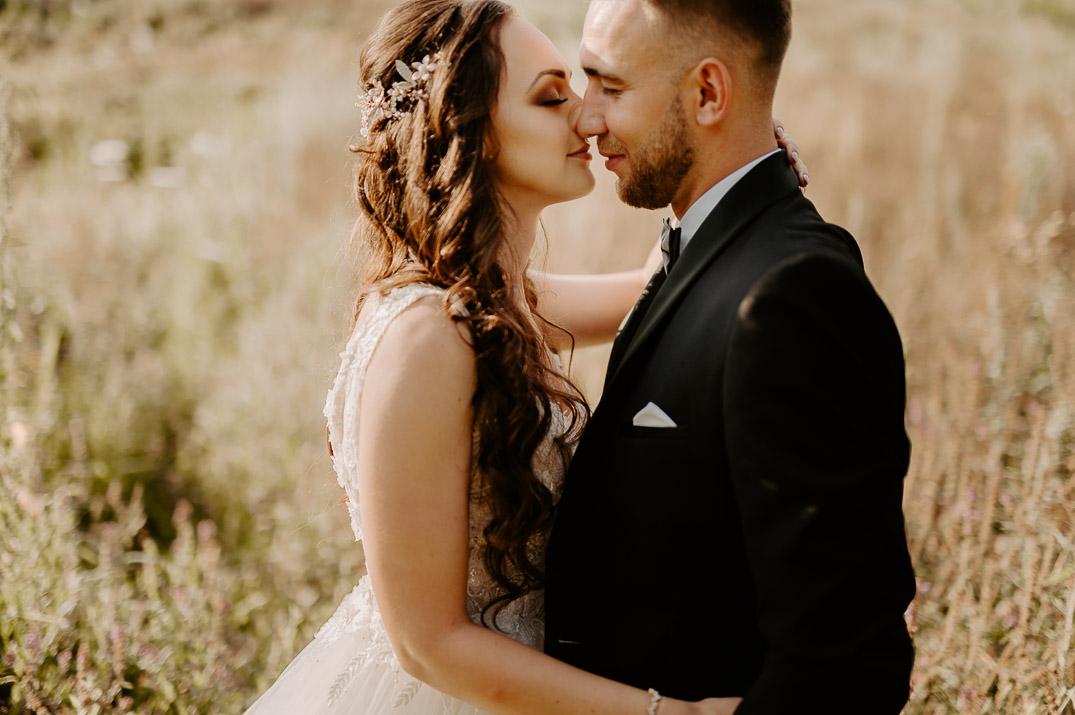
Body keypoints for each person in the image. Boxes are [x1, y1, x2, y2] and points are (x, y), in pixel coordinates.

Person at [243, 1, 804, 713]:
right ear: (469, 132)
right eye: (550, 97)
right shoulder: (428, 337)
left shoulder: (495, 303)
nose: (587, 119)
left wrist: (733, 159)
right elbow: (426, 643)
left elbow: (656, 287)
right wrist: (674, 714)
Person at [543, 0, 917, 713]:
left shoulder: (796, 295)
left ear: (709, 92)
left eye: (610, 86)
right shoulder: (698, 249)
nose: (587, 118)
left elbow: (842, 662)